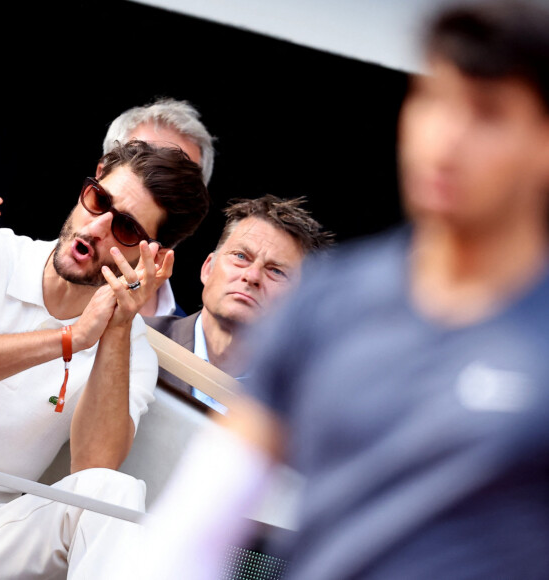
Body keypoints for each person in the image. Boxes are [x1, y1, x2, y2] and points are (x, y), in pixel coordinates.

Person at [98, 0, 549, 578]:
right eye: (435, 100)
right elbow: (199, 524)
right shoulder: (332, 304)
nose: (448, 138)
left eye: (487, 113)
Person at [0, 139, 210, 578]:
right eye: (99, 200)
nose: (97, 227)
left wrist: (115, 327)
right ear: (92, 182)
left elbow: (92, 473)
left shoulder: (130, 344)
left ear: (153, 256)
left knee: (112, 492)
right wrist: (70, 338)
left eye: (127, 229)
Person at [145, 194, 335, 414]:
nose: (252, 276)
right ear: (208, 268)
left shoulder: (299, 407)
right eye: (241, 256)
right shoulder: (134, 339)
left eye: (276, 271)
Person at [100, 96, 217, 318]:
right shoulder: (18, 267)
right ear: (100, 175)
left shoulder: (187, 347)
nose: (149, 190)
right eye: (138, 161)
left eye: (176, 183)